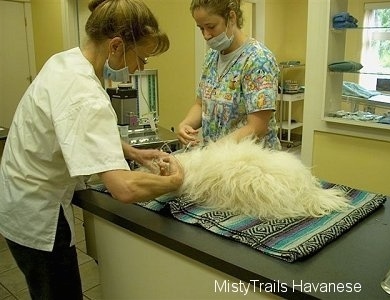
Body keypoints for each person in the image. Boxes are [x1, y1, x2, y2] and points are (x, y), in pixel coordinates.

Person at [0, 0, 183, 299]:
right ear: (115, 46)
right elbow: (122, 188)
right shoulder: (85, 93)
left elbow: (70, 129)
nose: (141, 68)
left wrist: (131, 152)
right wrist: (175, 182)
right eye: (142, 58)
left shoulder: (65, 61)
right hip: (38, 217)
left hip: (15, 203)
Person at [178, 0, 281, 150]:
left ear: (231, 18)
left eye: (211, 27)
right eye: (201, 28)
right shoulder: (211, 58)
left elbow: (257, 127)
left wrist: (215, 150)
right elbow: (201, 104)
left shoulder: (258, 60)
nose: (206, 35)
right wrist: (186, 123)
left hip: (253, 162)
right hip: (218, 158)